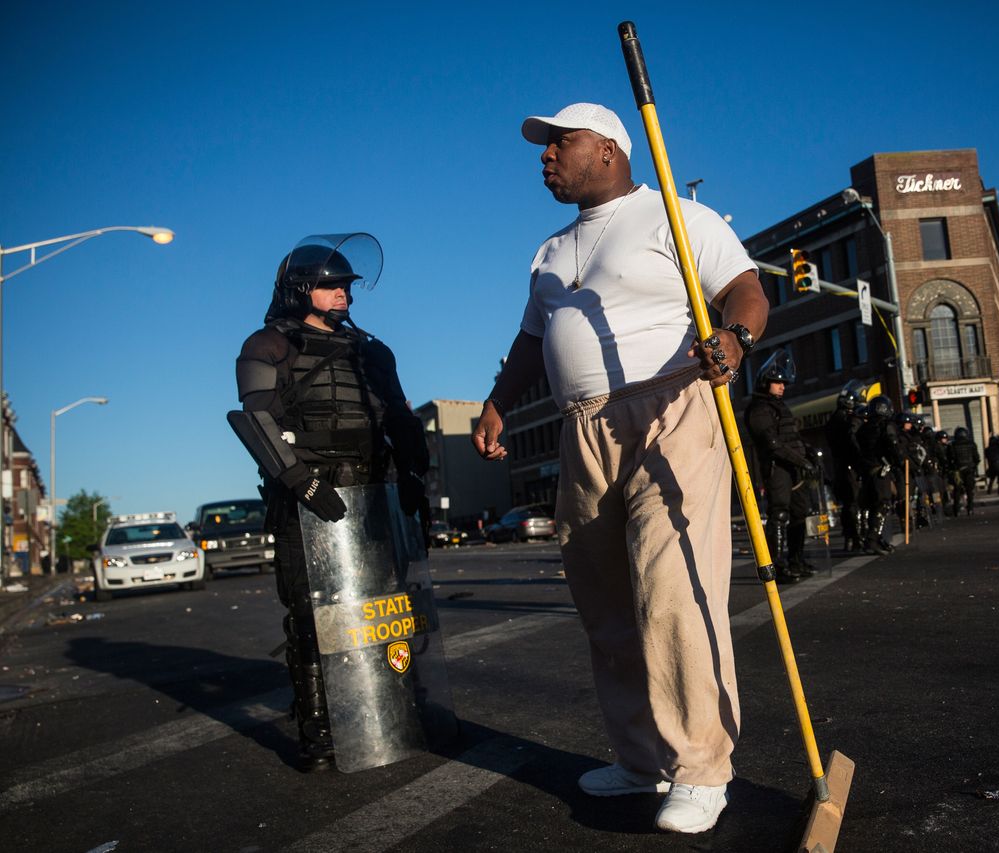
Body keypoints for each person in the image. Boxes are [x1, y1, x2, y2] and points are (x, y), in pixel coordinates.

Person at [471, 103, 769, 834]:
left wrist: (733, 340)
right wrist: (498, 403)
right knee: (605, 603)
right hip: (583, 427)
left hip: (670, 407)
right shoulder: (547, 252)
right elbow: (530, 339)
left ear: (608, 149)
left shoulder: (676, 212)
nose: (545, 157)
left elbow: (748, 290)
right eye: (542, 147)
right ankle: (641, 758)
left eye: (558, 142)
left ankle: (701, 767)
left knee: (672, 588)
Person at [232, 234, 429, 772]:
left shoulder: (371, 349)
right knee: (312, 616)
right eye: (329, 285)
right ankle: (320, 733)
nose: (343, 292)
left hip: (375, 491)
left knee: (391, 608)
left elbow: (399, 416)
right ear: (300, 289)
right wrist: (299, 481)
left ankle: (401, 706)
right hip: (309, 498)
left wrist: (415, 474)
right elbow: (256, 420)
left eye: (345, 284)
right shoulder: (268, 345)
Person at [746, 352, 816, 583]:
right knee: (780, 515)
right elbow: (773, 444)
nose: (782, 387)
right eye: (778, 382)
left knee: (799, 514)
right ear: (766, 382)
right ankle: (776, 566)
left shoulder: (778, 406)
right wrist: (801, 461)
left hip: (793, 468)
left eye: (784, 383)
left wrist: (809, 454)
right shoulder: (759, 409)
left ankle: (796, 560)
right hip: (777, 469)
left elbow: (790, 436)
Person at [855, 395, 901, 554]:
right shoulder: (886, 426)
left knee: (873, 505)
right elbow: (893, 446)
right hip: (880, 470)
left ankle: (877, 538)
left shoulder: (863, 428)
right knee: (882, 504)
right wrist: (898, 460)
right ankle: (872, 540)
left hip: (867, 471)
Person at [825, 383, 866, 552]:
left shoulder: (833, 419)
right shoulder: (846, 421)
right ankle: (855, 538)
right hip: (849, 466)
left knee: (847, 503)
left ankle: (850, 537)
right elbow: (852, 442)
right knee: (853, 502)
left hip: (839, 466)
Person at [948, 426, 981, 516]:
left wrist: (953, 468)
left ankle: (956, 510)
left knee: (957, 490)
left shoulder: (953, 445)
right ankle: (970, 509)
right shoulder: (971, 444)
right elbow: (977, 458)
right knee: (969, 490)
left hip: (958, 471)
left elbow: (950, 458)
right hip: (969, 469)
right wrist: (973, 466)